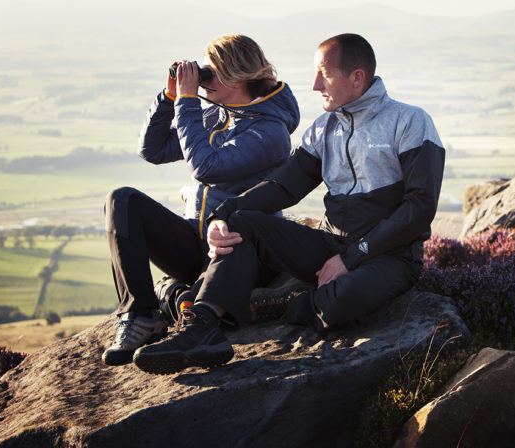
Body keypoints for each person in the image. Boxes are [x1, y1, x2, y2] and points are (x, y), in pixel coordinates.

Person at [132, 33, 445, 374]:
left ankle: (277, 305)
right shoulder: (323, 128)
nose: (314, 85)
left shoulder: (410, 122)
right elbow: (282, 187)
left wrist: (351, 258)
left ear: (357, 77)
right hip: (330, 243)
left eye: (323, 74)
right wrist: (221, 216)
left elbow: (419, 208)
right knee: (242, 224)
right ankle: (202, 329)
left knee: (344, 298)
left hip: (391, 255)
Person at [102, 34, 301, 366]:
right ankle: (140, 315)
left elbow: (207, 167)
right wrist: (169, 96)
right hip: (197, 242)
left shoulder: (269, 132)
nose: (205, 76)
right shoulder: (220, 115)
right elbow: (151, 150)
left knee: (231, 232)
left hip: (238, 254)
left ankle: (183, 302)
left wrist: (188, 101)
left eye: (213, 71)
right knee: (122, 200)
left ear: (238, 77)